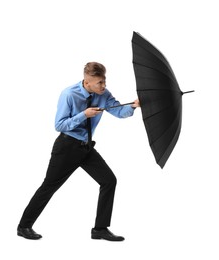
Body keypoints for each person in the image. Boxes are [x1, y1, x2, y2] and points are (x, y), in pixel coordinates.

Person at [17, 62, 140, 241]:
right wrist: (84, 115)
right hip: (67, 147)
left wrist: (134, 106)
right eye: (99, 83)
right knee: (49, 187)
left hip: (86, 147)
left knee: (109, 181)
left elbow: (120, 112)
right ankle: (24, 226)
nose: (103, 86)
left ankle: (100, 229)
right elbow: (59, 125)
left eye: (104, 82)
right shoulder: (69, 94)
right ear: (87, 82)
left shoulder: (104, 94)